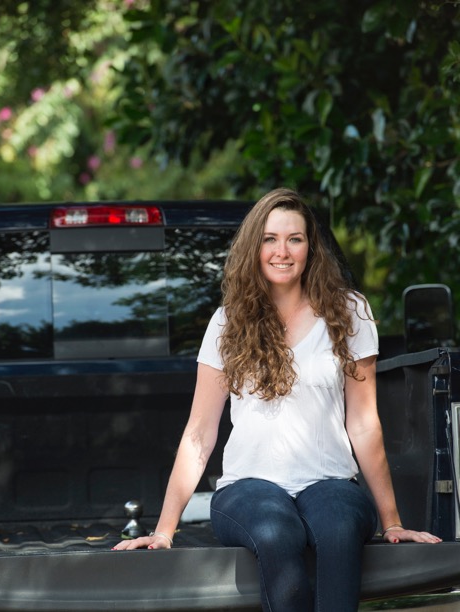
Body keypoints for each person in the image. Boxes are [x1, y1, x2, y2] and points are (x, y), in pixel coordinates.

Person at [112, 187, 441, 611]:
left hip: (331, 483)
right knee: (276, 531)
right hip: (248, 487)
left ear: (311, 247)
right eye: (270, 239)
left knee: (338, 527)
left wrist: (392, 522)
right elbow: (199, 432)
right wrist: (164, 530)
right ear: (255, 247)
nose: (281, 251)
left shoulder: (349, 312)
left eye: (294, 239)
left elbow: (363, 423)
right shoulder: (228, 322)